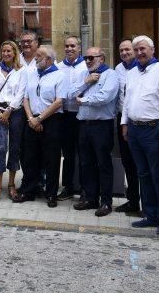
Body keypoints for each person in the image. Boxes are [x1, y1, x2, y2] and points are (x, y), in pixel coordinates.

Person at [121, 35, 159, 235]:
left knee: (157, 174)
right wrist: (124, 123)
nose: (139, 53)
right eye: (136, 50)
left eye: (143, 49)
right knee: (142, 173)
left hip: (153, 129)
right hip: (134, 129)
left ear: (152, 50)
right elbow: (127, 101)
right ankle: (149, 214)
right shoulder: (132, 72)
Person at [16, 45, 66, 207]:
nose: (36, 58)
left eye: (39, 56)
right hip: (32, 119)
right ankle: (28, 191)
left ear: (49, 60)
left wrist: (40, 119)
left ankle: (51, 193)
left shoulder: (59, 75)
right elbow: (25, 98)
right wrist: (31, 118)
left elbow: (59, 102)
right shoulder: (32, 74)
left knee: (51, 158)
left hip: (51, 120)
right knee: (29, 156)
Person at [72, 47, 119, 216]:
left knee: (103, 164)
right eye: (86, 58)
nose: (88, 61)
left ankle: (106, 202)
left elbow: (105, 97)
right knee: (86, 163)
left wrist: (83, 100)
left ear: (102, 58)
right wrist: (86, 82)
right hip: (83, 124)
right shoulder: (84, 75)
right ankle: (90, 198)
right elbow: (70, 94)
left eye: (91, 57)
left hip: (101, 125)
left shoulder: (110, 75)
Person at [0, 40, 26, 202]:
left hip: (15, 113)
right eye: (3, 51)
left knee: (15, 147)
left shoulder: (21, 71)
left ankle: (11, 184)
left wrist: (9, 111)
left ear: (14, 53)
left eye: (9, 51)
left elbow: (21, 93)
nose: (6, 54)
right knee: (1, 148)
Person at [57, 36, 88, 202]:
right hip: (64, 115)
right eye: (67, 46)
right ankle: (68, 187)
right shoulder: (58, 67)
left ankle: (84, 189)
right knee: (67, 154)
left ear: (79, 48)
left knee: (83, 154)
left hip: (82, 114)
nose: (69, 48)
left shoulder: (86, 66)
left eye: (73, 46)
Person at [114, 38, 140, 215]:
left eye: (127, 50)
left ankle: (148, 204)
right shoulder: (118, 69)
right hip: (122, 120)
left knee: (141, 165)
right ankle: (132, 201)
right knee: (128, 163)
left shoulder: (143, 68)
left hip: (140, 122)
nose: (124, 53)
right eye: (121, 50)